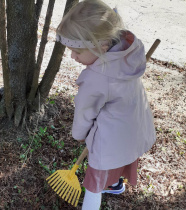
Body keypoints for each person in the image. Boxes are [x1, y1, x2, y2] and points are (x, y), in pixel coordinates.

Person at [56, 0, 156, 209]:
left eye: (78, 51)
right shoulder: (126, 54)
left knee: (95, 180)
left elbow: (85, 111)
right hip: (133, 127)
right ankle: (115, 184)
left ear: (101, 45)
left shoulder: (97, 78)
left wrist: (79, 134)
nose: (72, 56)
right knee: (119, 159)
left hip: (110, 138)